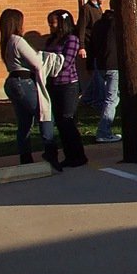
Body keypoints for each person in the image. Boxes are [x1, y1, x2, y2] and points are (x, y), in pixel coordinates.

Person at [0, 8, 60, 169]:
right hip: (24, 81)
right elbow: (36, 62)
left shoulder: (6, 41)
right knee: (45, 115)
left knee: (24, 122)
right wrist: (49, 58)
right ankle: (50, 153)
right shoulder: (17, 41)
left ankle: (25, 158)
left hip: (12, 81)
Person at [43, 9, 88, 168]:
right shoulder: (51, 41)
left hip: (68, 84)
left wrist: (50, 64)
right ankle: (69, 155)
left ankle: (78, 156)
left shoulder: (71, 39)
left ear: (62, 23)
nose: (51, 26)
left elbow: (66, 62)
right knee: (60, 123)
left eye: (53, 23)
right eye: (49, 23)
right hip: (53, 84)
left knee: (67, 120)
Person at [87, 3, 122, 143]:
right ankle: (103, 132)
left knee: (107, 97)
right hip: (114, 65)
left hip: (100, 64)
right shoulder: (116, 24)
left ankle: (102, 122)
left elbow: (92, 45)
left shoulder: (98, 24)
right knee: (111, 99)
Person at [76, 0, 110, 106]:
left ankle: (87, 98)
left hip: (98, 44)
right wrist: (82, 47)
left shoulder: (98, 8)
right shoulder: (86, 9)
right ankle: (97, 99)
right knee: (95, 72)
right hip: (90, 45)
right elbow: (81, 28)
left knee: (96, 73)